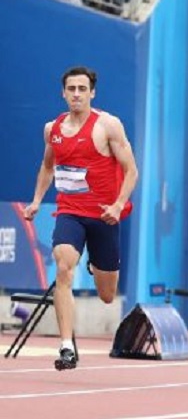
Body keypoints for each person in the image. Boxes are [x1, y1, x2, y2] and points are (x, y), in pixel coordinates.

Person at [22, 66, 139, 371]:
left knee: (106, 294)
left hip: (104, 216)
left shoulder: (108, 126)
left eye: (82, 89)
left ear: (92, 93)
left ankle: (95, 261)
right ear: (63, 93)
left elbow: (131, 171)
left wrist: (118, 204)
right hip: (70, 212)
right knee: (62, 266)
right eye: (71, 88)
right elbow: (48, 167)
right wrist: (36, 201)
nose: (76, 94)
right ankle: (66, 347)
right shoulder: (54, 128)